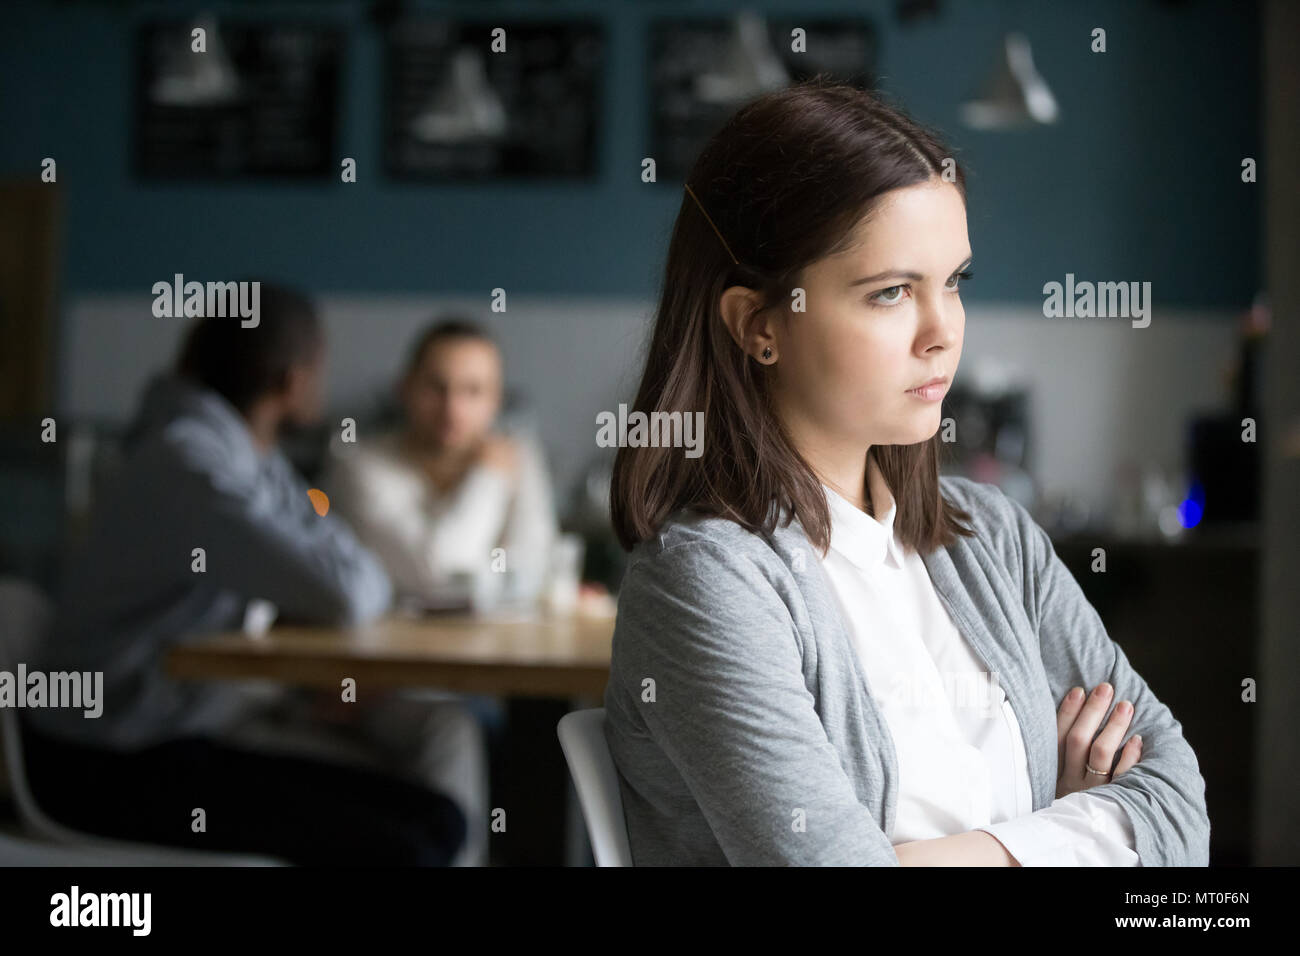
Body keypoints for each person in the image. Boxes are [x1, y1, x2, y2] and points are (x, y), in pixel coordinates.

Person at [602, 80, 1211, 866]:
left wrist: (941, 854)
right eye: (890, 293)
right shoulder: (708, 582)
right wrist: (1069, 824)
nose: (943, 333)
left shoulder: (991, 535)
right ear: (758, 326)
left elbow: (1180, 807)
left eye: (954, 282)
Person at [23, 284, 473, 866]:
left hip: (162, 737)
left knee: (437, 820)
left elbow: (342, 568)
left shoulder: (244, 457)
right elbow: (349, 588)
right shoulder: (192, 464)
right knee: (411, 843)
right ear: (293, 382)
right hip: (104, 765)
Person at [322, 318, 559, 610]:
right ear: (405, 388)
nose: (452, 409)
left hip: (499, 649)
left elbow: (534, 568)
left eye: (472, 390)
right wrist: (487, 478)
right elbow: (441, 573)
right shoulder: (357, 466)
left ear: (495, 401)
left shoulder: (519, 457)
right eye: (436, 387)